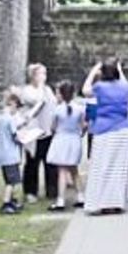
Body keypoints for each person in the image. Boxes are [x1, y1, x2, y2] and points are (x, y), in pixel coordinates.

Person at [81, 58, 128, 215]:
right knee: (119, 169)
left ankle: (98, 202)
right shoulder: (125, 87)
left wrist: (93, 70)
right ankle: (115, 202)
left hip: (104, 130)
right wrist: (121, 70)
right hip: (123, 130)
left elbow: (85, 90)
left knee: (100, 167)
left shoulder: (100, 87)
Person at [17, 63, 58, 203]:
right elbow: (37, 100)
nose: (44, 77)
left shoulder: (48, 90)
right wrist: (40, 86)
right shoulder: (27, 90)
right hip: (33, 132)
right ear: (33, 76)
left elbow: (53, 104)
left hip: (47, 130)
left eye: (45, 73)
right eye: (41, 73)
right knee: (32, 162)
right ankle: (30, 191)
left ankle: (52, 190)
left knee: (50, 162)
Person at [46, 80, 86, 211]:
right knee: (74, 170)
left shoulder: (58, 110)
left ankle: (60, 200)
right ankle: (81, 196)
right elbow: (83, 126)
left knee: (62, 170)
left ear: (61, 95)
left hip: (61, 139)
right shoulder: (80, 109)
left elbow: (53, 127)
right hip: (74, 140)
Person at [0, 92, 26, 214]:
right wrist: (24, 138)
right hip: (11, 154)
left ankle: (12, 200)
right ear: (12, 105)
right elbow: (15, 136)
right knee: (12, 181)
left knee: (8, 178)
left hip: (2, 153)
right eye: (16, 107)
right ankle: (6, 203)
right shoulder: (10, 119)